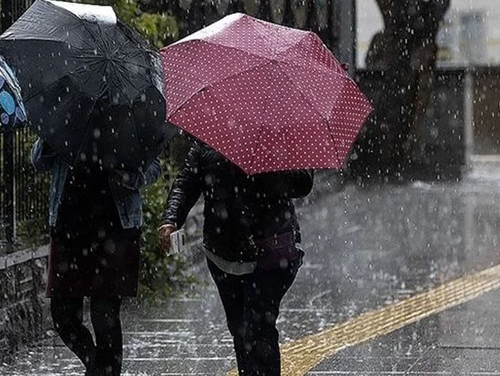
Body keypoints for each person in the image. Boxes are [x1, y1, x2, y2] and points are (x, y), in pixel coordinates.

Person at [159, 139, 313, 376]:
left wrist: (264, 168)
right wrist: (170, 219)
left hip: (270, 251)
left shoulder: (282, 133)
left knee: (259, 328)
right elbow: (187, 182)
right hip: (223, 252)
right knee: (239, 329)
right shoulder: (209, 137)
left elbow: (304, 182)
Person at [31, 139, 160, 376]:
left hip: (115, 231)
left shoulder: (128, 113)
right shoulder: (67, 111)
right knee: (63, 317)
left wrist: (128, 177)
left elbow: (153, 168)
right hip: (68, 229)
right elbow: (39, 161)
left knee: (105, 318)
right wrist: (51, 139)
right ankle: (97, 368)